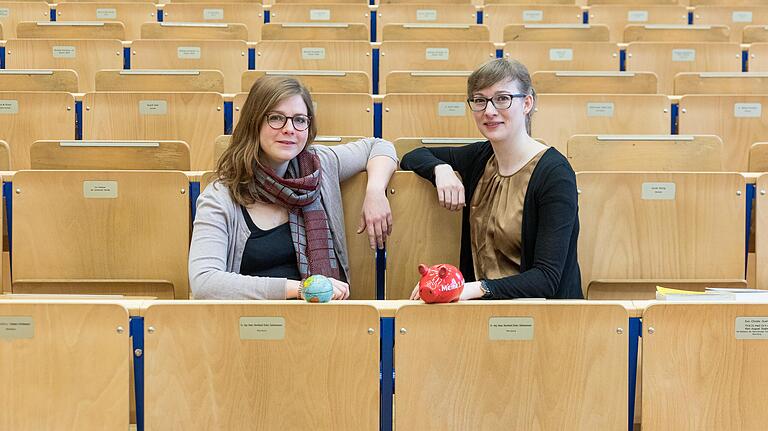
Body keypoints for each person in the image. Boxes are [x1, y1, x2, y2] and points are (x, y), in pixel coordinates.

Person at [189, 76, 398, 300]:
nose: (290, 129)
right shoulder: (220, 196)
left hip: (320, 321)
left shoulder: (320, 166)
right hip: (249, 325)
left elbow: (379, 146)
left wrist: (375, 191)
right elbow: (204, 282)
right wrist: (302, 288)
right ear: (254, 123)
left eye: (299, 120)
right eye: (276, 118)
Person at [401, 58, 582, 300]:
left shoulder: (555, 173)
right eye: (479, 100)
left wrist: (468, 288)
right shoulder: (480, 157)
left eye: (502, 98)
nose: (489, 111)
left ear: (527, 103)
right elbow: (412, 155)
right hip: (480, 312)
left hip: (544, 318)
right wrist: (441, 169)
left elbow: (546, 279)